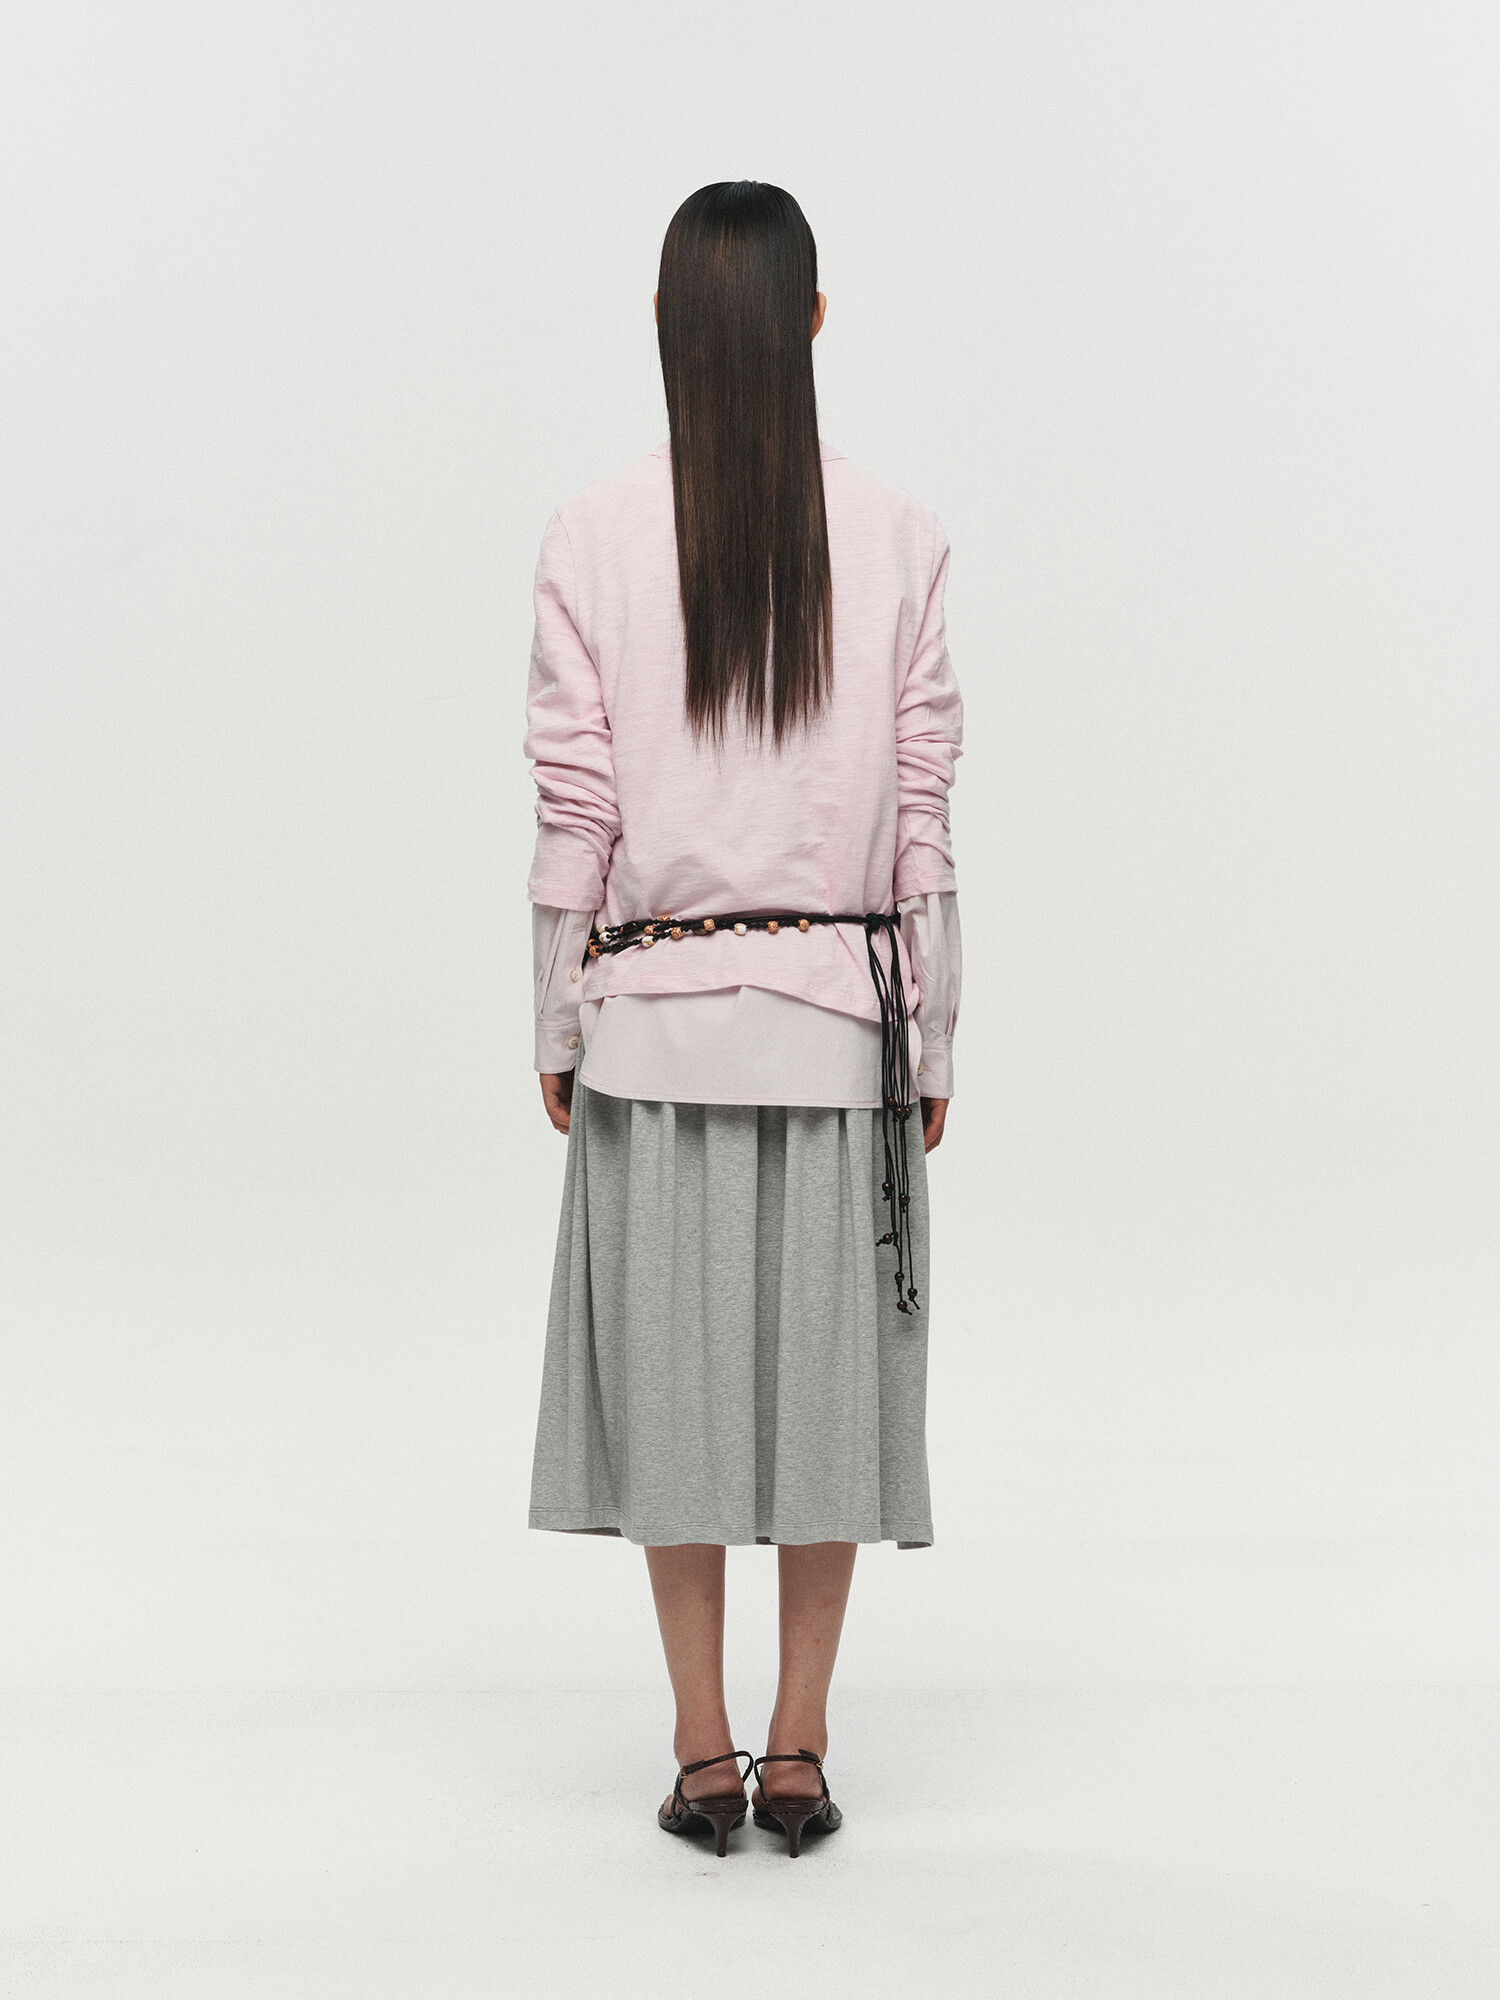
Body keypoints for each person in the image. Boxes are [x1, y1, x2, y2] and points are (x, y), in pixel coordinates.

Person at [524, 181, 963, 1857]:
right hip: (844, 1027)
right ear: (814, 322)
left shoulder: (591, 536)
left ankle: (703, 1752)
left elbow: (576, 810)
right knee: (830, 1399)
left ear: (663, 327)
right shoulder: (901, 534)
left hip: (652, 1029)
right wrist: (933, 1035)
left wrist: (557, 1019)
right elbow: (922, 812)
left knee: (680, 1395)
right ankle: (802, 1750)